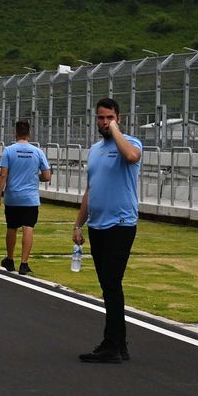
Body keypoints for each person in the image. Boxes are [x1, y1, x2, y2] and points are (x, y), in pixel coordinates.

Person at [74, 98, 142, 363]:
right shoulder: (94, 150)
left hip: (121, 224)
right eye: (101, 118)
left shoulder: (131, 143)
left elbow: (131, 157)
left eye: (109, 117)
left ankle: (111, 345)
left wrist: (115, 132)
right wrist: (78, 224)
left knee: (112, 284)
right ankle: (119, 343)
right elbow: (90, 190)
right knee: (108, 285)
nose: (104, 122)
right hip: (97, 225)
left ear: (118, 117)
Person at [0, 120, 52, 275]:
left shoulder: (9, 150)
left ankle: (9, 258)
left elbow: (3, 175)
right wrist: (35, 177)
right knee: (29, 227)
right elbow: (47, 176)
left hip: (13, 196)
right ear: (30, 134)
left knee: (11, 227)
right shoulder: (37, 152)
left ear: (16, 133)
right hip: (30, 197)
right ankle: (24, 263)